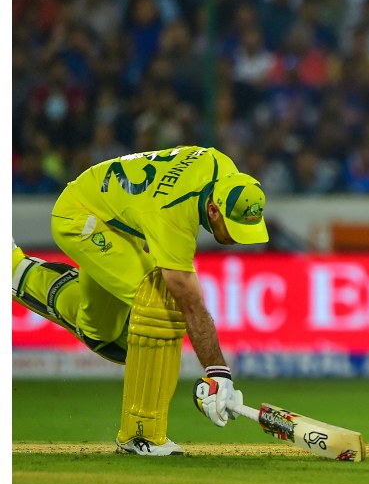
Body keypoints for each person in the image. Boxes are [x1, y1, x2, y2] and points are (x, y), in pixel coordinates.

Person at [12, 146, 270, 455]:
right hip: (82, 216)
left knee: (103, 334)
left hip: (114, 213)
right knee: (163, 302)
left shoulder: (223, 169)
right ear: (214, 210)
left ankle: (15, 270)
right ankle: (139, 434)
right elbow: (190, 304)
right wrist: (218, 373)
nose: (238, 239)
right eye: (234, 228)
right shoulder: (175, 211)